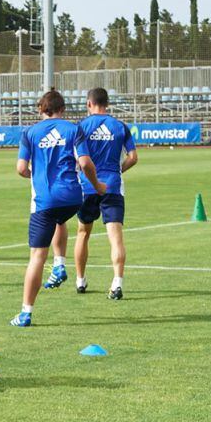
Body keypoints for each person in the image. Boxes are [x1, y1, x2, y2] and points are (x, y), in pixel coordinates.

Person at [11, 89, 106, 327]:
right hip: (73, 198)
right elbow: (85, 163)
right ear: (62, 109)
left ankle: (25, 312)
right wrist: (97, 185)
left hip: (45, 200)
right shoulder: (74, 129)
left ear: (41, 109)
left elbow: (21, 168)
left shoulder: (30, 132)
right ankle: (60, 264)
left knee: (36, 257)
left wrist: (35, 175)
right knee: (60, 220)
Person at [74, 87, 138, 299]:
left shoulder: (81, 127)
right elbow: (133, 157)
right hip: (112, 186)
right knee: (115, 237)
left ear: (88, 103)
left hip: (87, 187)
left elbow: (77, 159)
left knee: (83, 233)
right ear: (107, 103)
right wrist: (118, 170)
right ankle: (117, 283)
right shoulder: (120, 126)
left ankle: (80, 280)